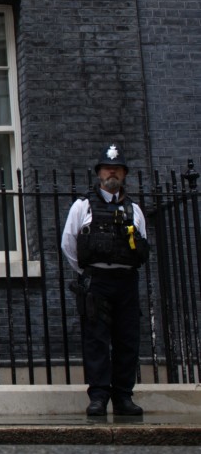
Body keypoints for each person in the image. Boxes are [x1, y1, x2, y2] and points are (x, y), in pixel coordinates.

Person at [61, 143, 150, 418]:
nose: (112, 172)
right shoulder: (82, 206)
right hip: (96, 281)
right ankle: (98, 397)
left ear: (124, 174)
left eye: (118, 169)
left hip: (125, 281)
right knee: (96, 340)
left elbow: (143, 246)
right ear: (99, 173)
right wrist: (88, 273)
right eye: (107, 168)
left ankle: (123, 397)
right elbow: (68, 245)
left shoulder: (134, 209)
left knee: (127, 340)